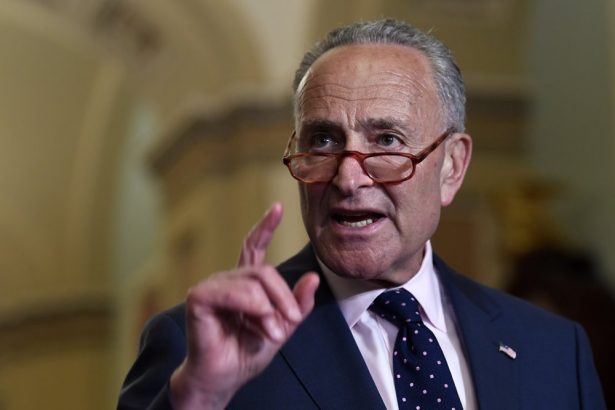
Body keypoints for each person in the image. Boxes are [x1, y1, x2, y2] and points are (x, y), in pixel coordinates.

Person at [118, 19, 606, 409]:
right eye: (324, 141)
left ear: (452, 167)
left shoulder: (554, 350)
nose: (349, 179)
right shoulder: (194, 349)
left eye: (387, 141)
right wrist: (201, 397)